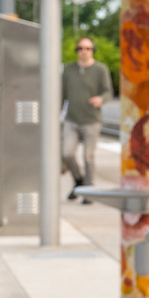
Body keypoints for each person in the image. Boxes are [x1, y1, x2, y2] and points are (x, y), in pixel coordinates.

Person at [62, 36, 115, 195]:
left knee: (88, 157)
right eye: (81, 48)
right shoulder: (68, 70)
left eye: (88, 48)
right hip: (71, 119)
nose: (84, 52)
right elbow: (62, 94)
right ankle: (78, 180)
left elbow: (108, 92)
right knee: (67, 154)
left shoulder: (101, 69)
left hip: (91, 120)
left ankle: (88, 189)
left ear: (92, 51)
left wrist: (101, 99)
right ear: (77, 51)